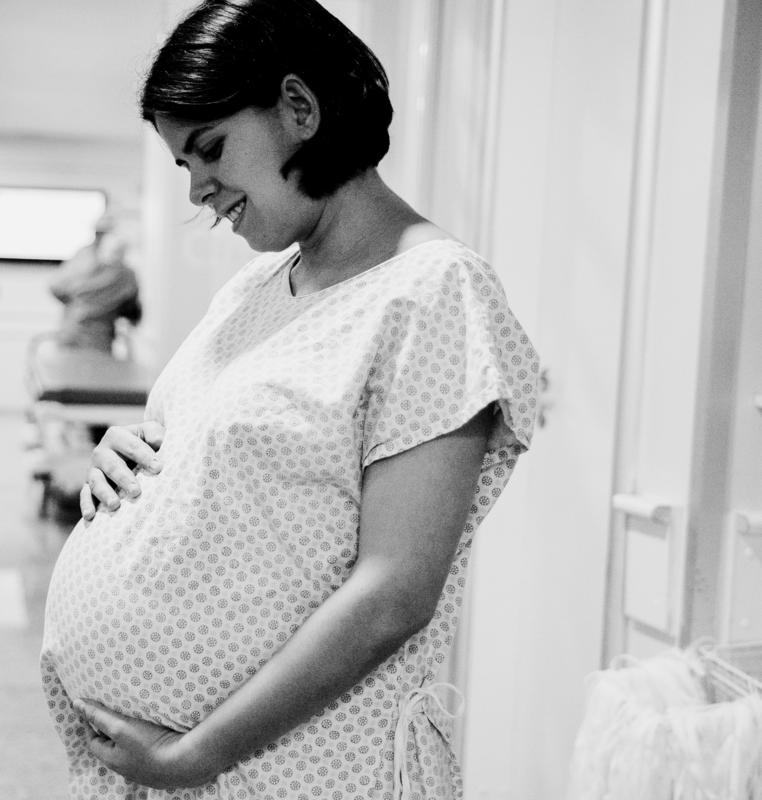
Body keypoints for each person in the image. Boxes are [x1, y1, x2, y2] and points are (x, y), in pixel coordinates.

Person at [40, 2, 539, 798]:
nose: (200, 190)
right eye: (183, 165)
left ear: (299, 109)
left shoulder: (434, 291)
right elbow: (204, 450)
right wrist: (118, 455)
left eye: (210, 150)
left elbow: (394, 595)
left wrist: (192, 754)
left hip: (296, 771)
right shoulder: (253, 290)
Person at [49, 215, 141, 353]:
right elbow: (133, 313)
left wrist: (80, 304)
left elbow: (56, 287)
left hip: (92, 337)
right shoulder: (125, 275)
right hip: (81, 336)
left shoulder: (123, 274)